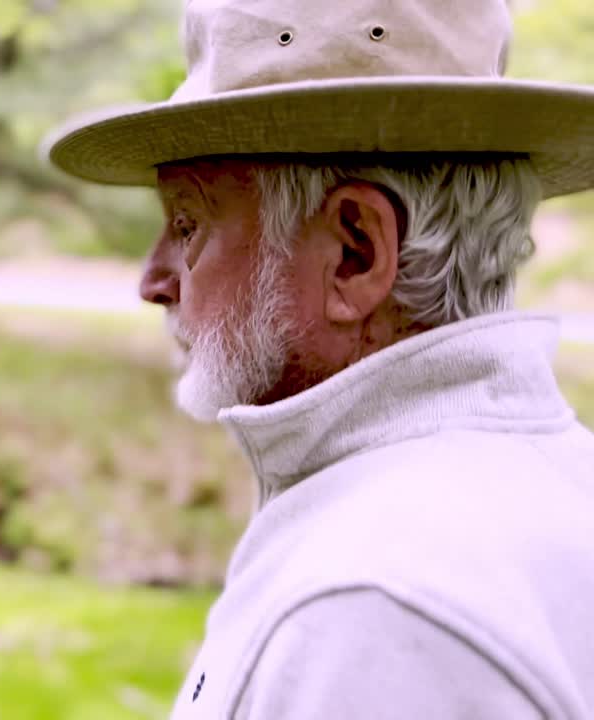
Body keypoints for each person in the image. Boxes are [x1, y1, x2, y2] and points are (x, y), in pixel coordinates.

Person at [43, 0, 594, 717]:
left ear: (354, 253)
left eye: (187, 222)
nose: (153, 281)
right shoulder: (551, 481)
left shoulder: (370, 605)